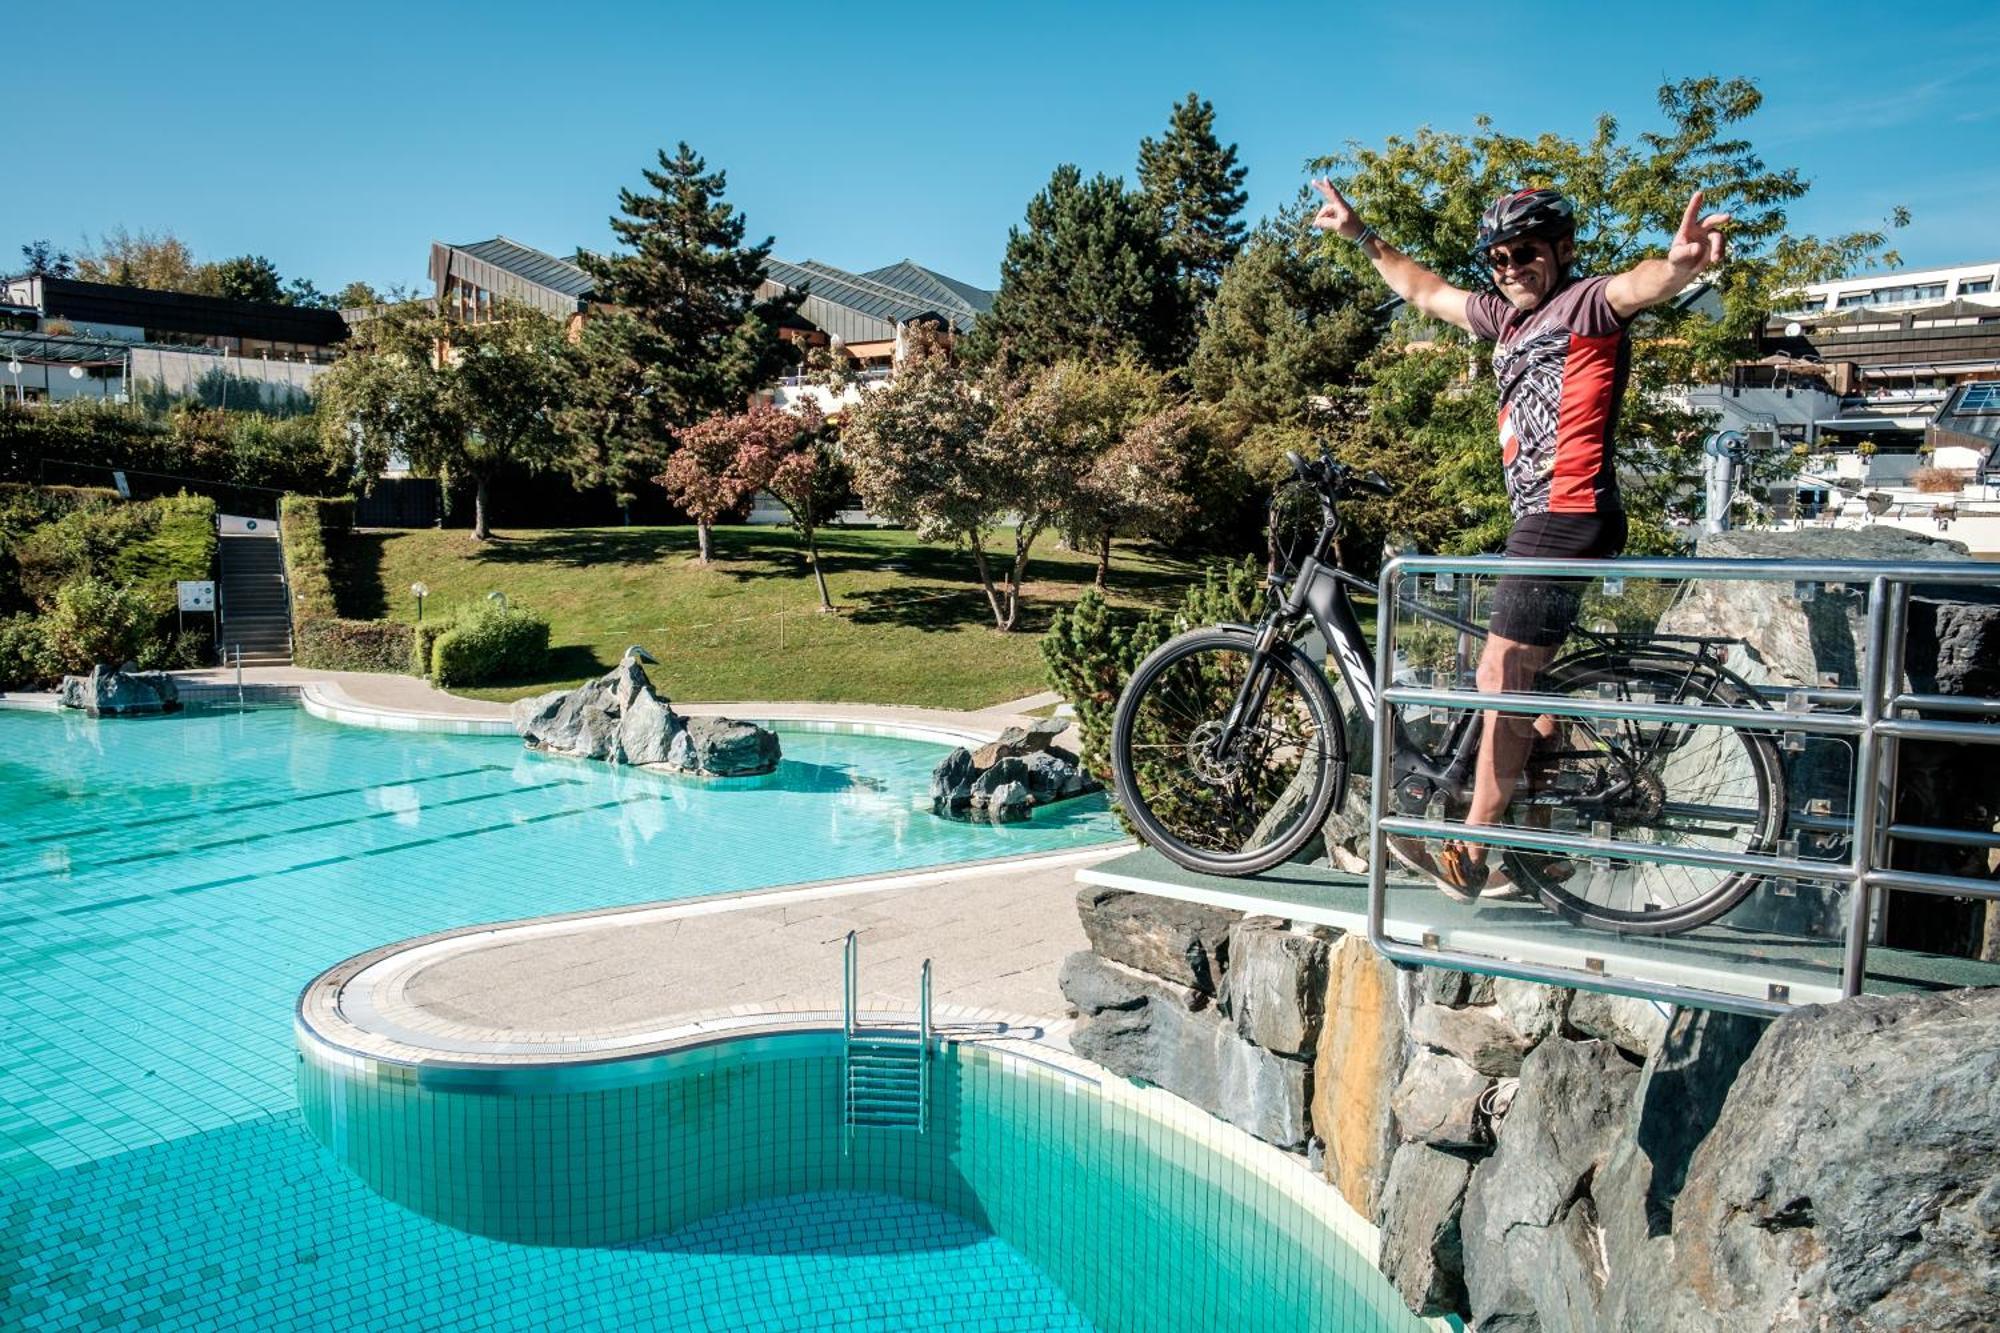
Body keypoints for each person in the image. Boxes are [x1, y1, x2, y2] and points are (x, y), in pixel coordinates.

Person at [1310, 179, 1730, 899]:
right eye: (1498, 257)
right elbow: (1426, 291)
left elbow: (1643, 284)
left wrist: (1682, 266)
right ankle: (1545, 845)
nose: (1510, 267)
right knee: (1529, 687)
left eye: (1525, 252)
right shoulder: (1504, 320)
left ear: (1562, 250)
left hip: (1565, 513)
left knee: (1498, 676)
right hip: (1542, 517)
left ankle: (1472, 846)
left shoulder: (1587, 302)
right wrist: (1361, 235)